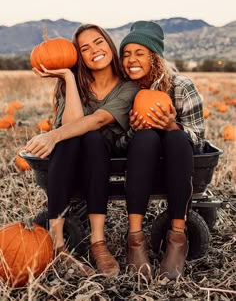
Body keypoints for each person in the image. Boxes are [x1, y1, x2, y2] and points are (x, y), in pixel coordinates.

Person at [25, 24, 140, 277]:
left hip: (100, 158)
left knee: (93, 139)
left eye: (99, 42)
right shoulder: (75, 84)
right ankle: (58, 246)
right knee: (71, 138)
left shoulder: (128, 88)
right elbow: (72, 124)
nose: (94, 50)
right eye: (85, 48)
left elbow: (98, 120)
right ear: (79, 56)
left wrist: (52, 135)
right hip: (70, 158)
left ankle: (98, 243)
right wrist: (68, 77)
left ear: (109, 45)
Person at [118, 20, 205, 281]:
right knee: (144, 138)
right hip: (140, 160)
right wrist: (133, 130)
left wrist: (171, 126)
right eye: (125, 54)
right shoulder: (125, 90)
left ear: (155, 56)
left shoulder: (181, 86)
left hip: (176, 160)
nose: (130, 60)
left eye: (139, 53)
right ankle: (135, 241)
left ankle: (177, 238)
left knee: (178, 139)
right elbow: (118, 144)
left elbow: (198, 139)